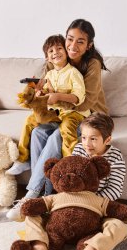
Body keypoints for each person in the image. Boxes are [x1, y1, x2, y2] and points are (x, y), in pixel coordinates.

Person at [14, 113, 127, 250]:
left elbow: (115, 189)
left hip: (95, 207)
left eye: (93, 139)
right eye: (84, 138)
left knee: (119, 226)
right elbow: (68, 175)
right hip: (66, 200)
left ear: (107, 139)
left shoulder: (115, 157)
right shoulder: (79, 149)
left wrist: (92, 203)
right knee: (32, 214)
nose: (87, 144)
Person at [7, 19, 108, 221]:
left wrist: (57, 97)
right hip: (60, 113)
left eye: (80, 42)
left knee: (56, 137)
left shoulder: (91, 64)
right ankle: (46, 196)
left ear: (89, 45)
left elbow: (85, 102)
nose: (73, 46)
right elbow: (45, 89)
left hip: (89, 116)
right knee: (37, 132)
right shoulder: (56, 60)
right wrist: (39, 95)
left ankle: (31, 196)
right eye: (70, 39)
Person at [7, 34, 90, 177]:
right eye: (51, 51)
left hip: (72, 113)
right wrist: (39, 94)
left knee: (66, 128)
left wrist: (58, 96)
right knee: (29, 121)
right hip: (54, 113)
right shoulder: (49, 75)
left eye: (59, 48)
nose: (55, 52)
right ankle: (22, 159)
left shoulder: (73, 73)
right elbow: (46, 94)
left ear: (66, 51)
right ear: (47, 57)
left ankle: (69, 164)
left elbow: (78, 97)